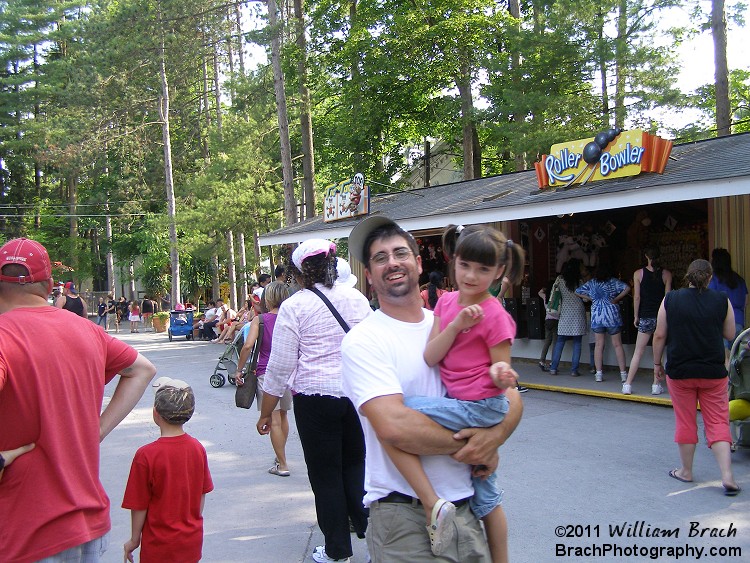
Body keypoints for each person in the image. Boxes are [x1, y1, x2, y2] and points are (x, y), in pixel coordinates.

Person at [341, 216, 523, 563]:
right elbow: (394, 426)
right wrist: (476, 445)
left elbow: (510, 395)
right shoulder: (364, 340)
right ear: (369, 275)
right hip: (404, 516)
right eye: (380, 258)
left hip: (465, 506)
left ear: (419, 262)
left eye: (400, 253)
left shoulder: (457, 318)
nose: (392, 262)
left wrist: (494, 436)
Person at [0, 237, 156, 563]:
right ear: (49, 286)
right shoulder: (88, 331)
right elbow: (142, 369)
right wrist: (95, 431)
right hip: (87, 522)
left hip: (23, 531)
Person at [257, 239, 371, 563]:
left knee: (325, 475)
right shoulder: (357, 299)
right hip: (356, 397)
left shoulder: (295, 307)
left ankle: (337, 551)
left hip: (314, 399)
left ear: (298, 272)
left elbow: (279, 368)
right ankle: (377, 539)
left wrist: (266, 414)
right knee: (355, 466)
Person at [652, 259, 740, 496]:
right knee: (718, 422)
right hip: (713, 372)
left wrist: (657, 364)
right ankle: (727, 476)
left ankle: (686, 471)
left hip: (680, 372)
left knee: (686, 420)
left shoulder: (671, 299)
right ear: (710, 278)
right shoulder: (722, 300)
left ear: (687, 277)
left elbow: (660, 335)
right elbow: (730, 333)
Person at [122, 377, 214, 563]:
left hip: (159, 543)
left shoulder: (146, 455)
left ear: (155, 413)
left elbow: (139, 505)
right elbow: (201, 493)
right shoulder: (197, 448)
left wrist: (134, 539)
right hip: (191, 540)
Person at [235, 282, 292, 475]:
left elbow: (247, 346)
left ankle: (282, 464)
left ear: (267, 299)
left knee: (273, 418)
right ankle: (280, 456)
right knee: (283, 415)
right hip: (288, 372)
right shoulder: (291, 319)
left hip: (266, 373)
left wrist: (239, 369)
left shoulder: (260, 320)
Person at [623, 247, 672, 395]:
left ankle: (628, 384)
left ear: (646, 256)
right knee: (659, 353)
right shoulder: (666, 274)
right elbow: (667, 298)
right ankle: (656, 385)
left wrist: (636, 316)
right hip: (661, 318)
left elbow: (637, 297)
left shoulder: (638, 273)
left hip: (645, 316)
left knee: (638, 352)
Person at [575, 260, 631, 383]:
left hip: (597, 316)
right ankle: (623, 374)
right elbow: (627, 288)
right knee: (618, 345)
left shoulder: (592, 283)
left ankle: (598, 374)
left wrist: (590, 298)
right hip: (612, 316)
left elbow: (577, 291)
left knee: (599, 345)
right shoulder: (614, 282)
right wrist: (616, 299)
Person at [549, 258, 586, 376]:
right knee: (577, 342)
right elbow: (585, 298)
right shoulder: (579, 281)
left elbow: (554, 293)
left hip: (565, 312)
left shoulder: (560, 280)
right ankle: (574, 370)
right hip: (578, 312)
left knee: (560, 341)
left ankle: (553, 368)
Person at [709, 248, 748, 359]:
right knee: (734, 358)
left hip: (721, 323)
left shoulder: (713, 280)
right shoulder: (739, 279)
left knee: (723, 358)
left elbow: (709, 302)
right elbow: (746, 302)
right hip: (739, 323)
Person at [537, 279, 560, 371]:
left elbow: (539, 292)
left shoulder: (545, 296)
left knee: (547, 341)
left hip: (548, 320)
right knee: (555, 342)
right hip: (556, 320)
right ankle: (553, 363)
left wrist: (545, 288)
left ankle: (542, 360)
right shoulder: (557, 296)